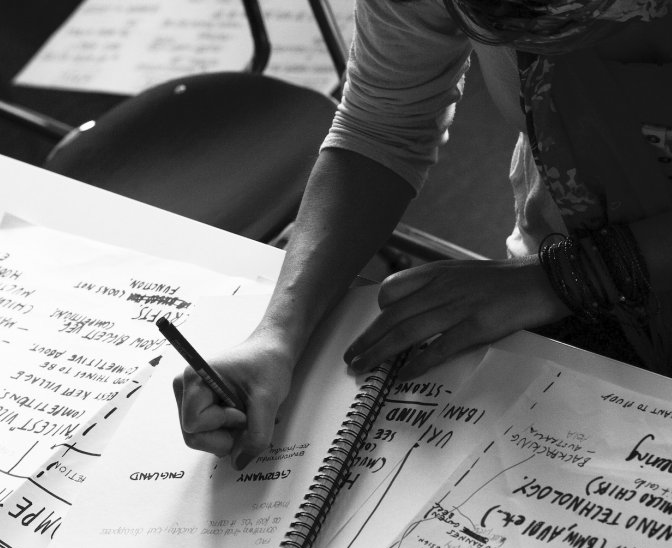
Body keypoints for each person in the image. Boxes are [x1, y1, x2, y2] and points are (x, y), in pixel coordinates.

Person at [174, 0, 672, 469]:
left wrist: (568, 277)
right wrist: (278, 333)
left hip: (554, 281)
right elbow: (383, 128)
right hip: (556, 283)